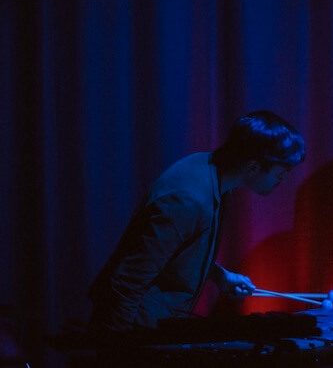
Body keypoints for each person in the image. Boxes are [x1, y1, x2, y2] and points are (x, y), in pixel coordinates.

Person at [88, 110, 306, 331]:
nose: (284, 178)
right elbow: (126, 284)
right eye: (282, 172)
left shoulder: (214, 174)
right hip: (136, 331)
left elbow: (176, 249)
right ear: (252, 167)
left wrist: (221, 276)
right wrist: (117, 351)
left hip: (155, 328)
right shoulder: (188, 201)